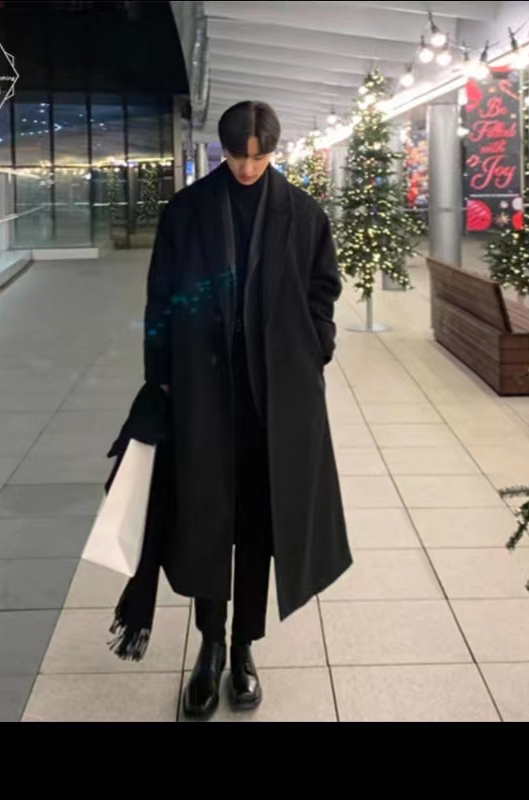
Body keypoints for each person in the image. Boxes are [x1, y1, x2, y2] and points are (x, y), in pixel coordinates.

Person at [143, 101, 352, 721]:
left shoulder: (303, 213)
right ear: (224, 149)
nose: (248, 167)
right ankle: (209, 646)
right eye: (238, 155)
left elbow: (323, 288)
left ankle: (242, 648)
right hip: (204, 388)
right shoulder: (186, 211)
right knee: (207, 515)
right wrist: (160, 375)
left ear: (274, 153)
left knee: (260, 522)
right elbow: (160, 296)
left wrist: (316, 348)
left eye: (259, 157)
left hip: (276, 395)